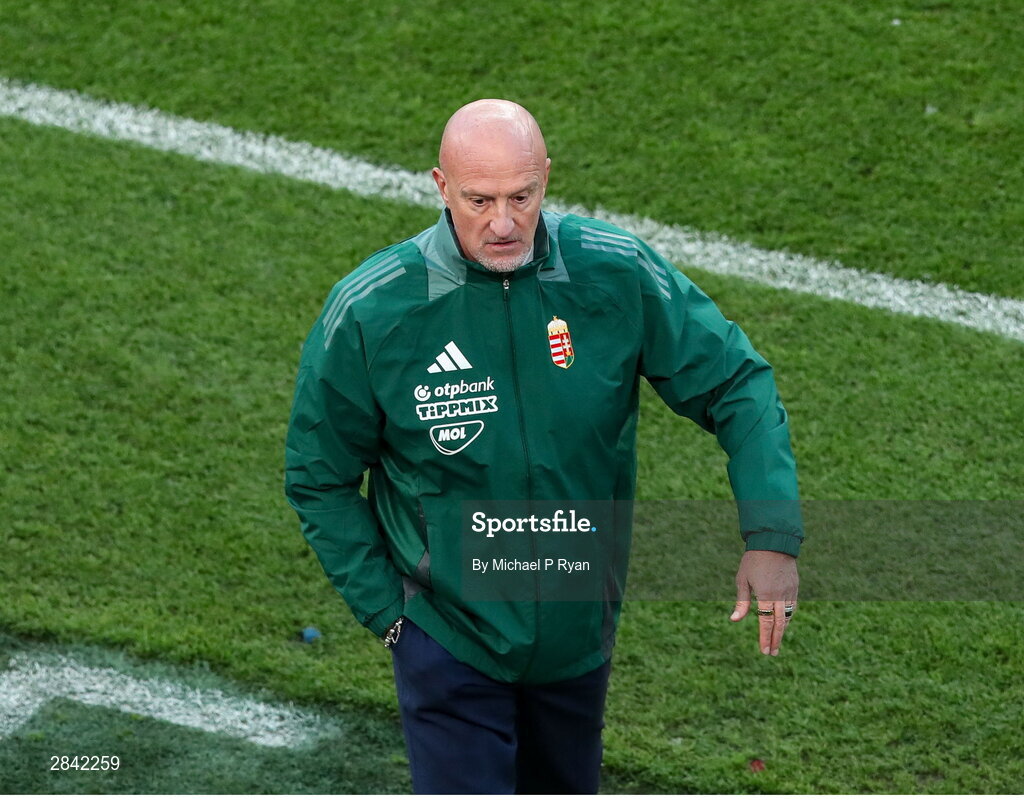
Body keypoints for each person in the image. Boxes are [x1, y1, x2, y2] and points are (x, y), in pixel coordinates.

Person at [285, 99, 802, 794]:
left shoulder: (614, 273)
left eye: (522, 196)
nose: (503, 223)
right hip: (449, 642)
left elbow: (737, 381)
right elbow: (319, 477)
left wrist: (771, 537)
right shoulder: (374, 310)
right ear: (440, 187)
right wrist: (395, 618)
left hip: (577, 637)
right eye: (479, 200)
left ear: (547, 179)